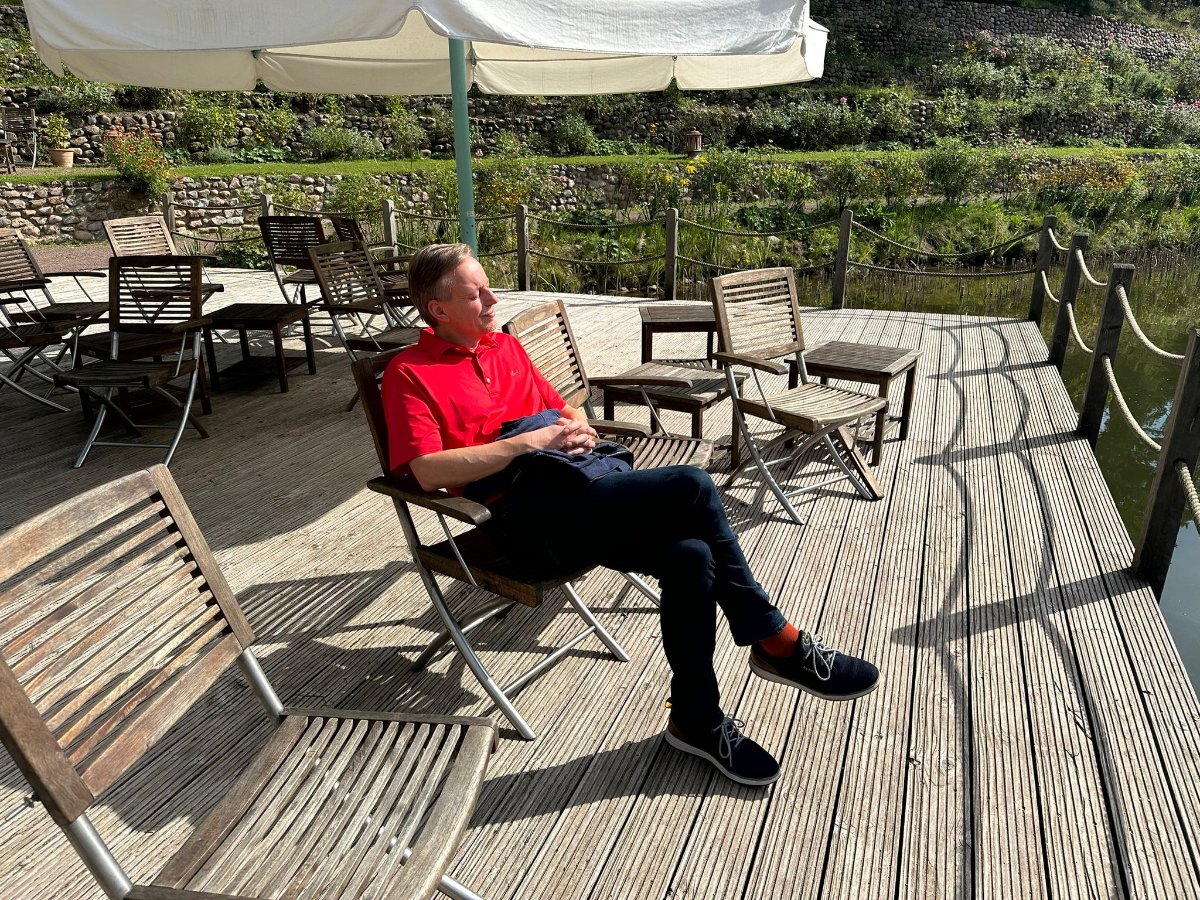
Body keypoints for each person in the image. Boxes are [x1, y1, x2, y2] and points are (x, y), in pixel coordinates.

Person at [381, 243, 880, 786]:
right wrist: (528, 445)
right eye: (476, 293)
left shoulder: (503, 347)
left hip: (577, 494)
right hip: (517, 527)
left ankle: (695, 719)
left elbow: (561, 407)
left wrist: (576, 428)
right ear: (438, 309)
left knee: (692, 557)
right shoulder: (409, 373)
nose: (493, 299)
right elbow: (425, 471)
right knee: (691, 485)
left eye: (489, 287)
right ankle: (776, 640)